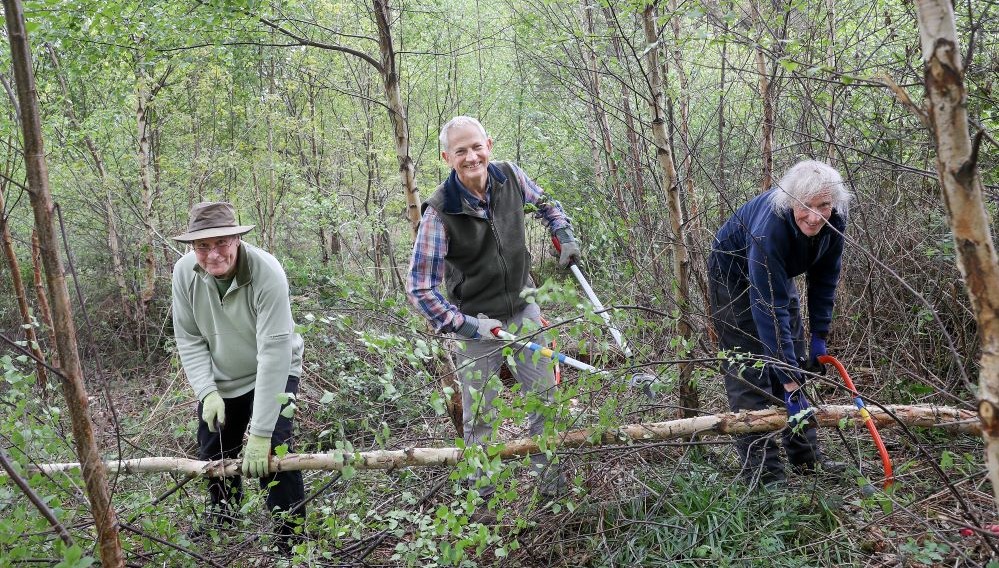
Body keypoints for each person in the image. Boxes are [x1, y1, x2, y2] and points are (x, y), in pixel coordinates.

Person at [406, 116, 580, 504]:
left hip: (524, 308)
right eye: (461, 151)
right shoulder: (439, 211)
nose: (472, 157)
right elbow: (419, 289)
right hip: (475, 322)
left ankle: (552, 494)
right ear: (446, 157)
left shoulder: (511, 177)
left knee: (545, 401)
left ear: (489, 144)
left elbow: (548, 204)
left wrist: (562, 233)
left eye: (476, 147)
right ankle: (483, 501)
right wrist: (464, 325)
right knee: (481, 418)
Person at [171, 201, 306, 550]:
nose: (212, 254)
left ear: (236, 239)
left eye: (221, 243)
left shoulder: (266, 272)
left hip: (274, 370)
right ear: (192, 247)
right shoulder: (184, 273)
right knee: (213, 448)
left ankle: (289, 536)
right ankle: (223, 517)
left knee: (275, 450)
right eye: (202, 245)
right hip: (222, 376)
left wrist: (260, 432)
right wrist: (207, 391)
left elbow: (275, 354)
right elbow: (188, 338)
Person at [708, 160, 850, 487]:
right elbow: (768, 310)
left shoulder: (836, 219)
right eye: (805, 206)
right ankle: (763, 472)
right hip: (733, 274)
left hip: (776, 270)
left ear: (834, 202)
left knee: (794, 352)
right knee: (749, 365)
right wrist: (788, 382)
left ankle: (806, 457)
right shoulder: (769, 228)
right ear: (789, 201)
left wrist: (819, 338)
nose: (815, 217)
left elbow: (825, 279)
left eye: (823, 206)